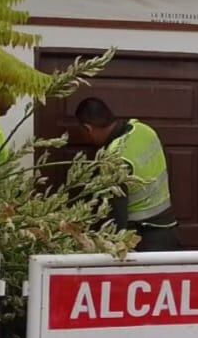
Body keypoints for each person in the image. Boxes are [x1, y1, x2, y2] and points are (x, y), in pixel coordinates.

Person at [75, 97, 181, 252]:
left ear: (88, 128)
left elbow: (117, 217)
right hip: (169, 231)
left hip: (145, 240)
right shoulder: (144, 130)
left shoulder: (114, 159)